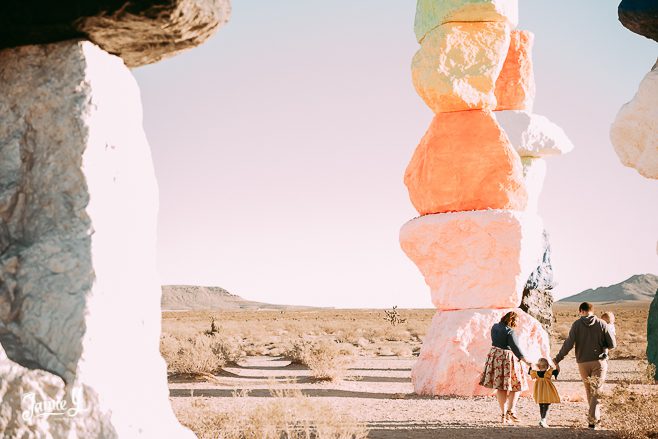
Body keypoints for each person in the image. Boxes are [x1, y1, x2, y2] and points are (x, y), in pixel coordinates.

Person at [553, 302, 616, 429]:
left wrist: (557, 359)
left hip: (582, 363)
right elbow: (612, 344)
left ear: (581, 311)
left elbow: (568, 344)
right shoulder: (602, 323)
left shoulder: (576, 325)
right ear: (592, 311)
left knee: (589, 391)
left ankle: (594, 418)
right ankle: (593, 420)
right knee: (597, 391)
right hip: (598, 362)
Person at [480, 311, 532, 424]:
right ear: (512, 320)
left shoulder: (494, 327)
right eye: (517, 321)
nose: (517, 323)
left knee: (500, 387)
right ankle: (511, 411)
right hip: (507, 358)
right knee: (517, 385)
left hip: (495, 355)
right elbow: (516, 348)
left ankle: (503, 415)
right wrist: (527, 362)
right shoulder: (510, 332)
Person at [529, 358, 561, 428]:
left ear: (538, 366)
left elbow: (530, 372)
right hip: (547, 391)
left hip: (539, 391)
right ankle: (543, 420)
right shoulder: (549, 372)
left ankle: (542, 420)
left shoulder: (535, 373)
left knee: (541, 405)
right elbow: (557, 370)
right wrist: (556, 363)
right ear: (547, 366)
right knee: (547, 405)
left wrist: (530, 366)